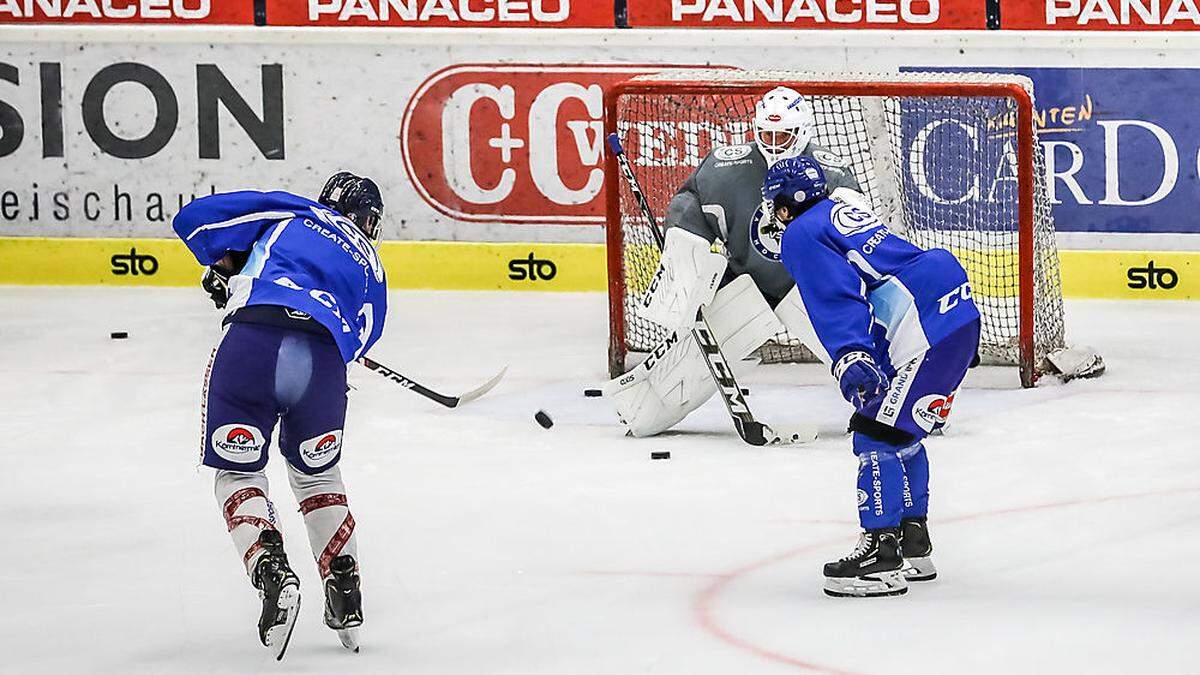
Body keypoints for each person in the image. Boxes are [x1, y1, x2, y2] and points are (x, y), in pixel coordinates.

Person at [172, 172, 388, 656]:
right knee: (318, 477)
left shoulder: (295, 213)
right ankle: (344, 588)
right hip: (323, 366)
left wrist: (227, 268)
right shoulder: (373, 263)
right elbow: (364, 337)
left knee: (236, 471)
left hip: (254, 342)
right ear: (368, 220)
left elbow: (193, 221)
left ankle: (271, 567)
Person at [762, 156, 981, 598]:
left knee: (874, 433)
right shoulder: (840, 206)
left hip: (921, 322)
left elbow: (835, 296)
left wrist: (850, 353)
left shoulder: (801, 234)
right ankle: (913, 543)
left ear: (785, 207)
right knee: (902, 432)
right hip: (951, 305)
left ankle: (881, 554)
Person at [604, 87, 863, 437]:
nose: (774, 143)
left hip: (809, 291)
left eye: (783, 135)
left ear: (802, 134)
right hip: (746, 285)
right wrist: (686, 252)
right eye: (767, 134)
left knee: (857, 351)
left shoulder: (831, 174)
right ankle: (643, 410)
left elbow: (858, 234)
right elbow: (688, 204)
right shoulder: (728, 167)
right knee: (672, 385)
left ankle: (901, 406)